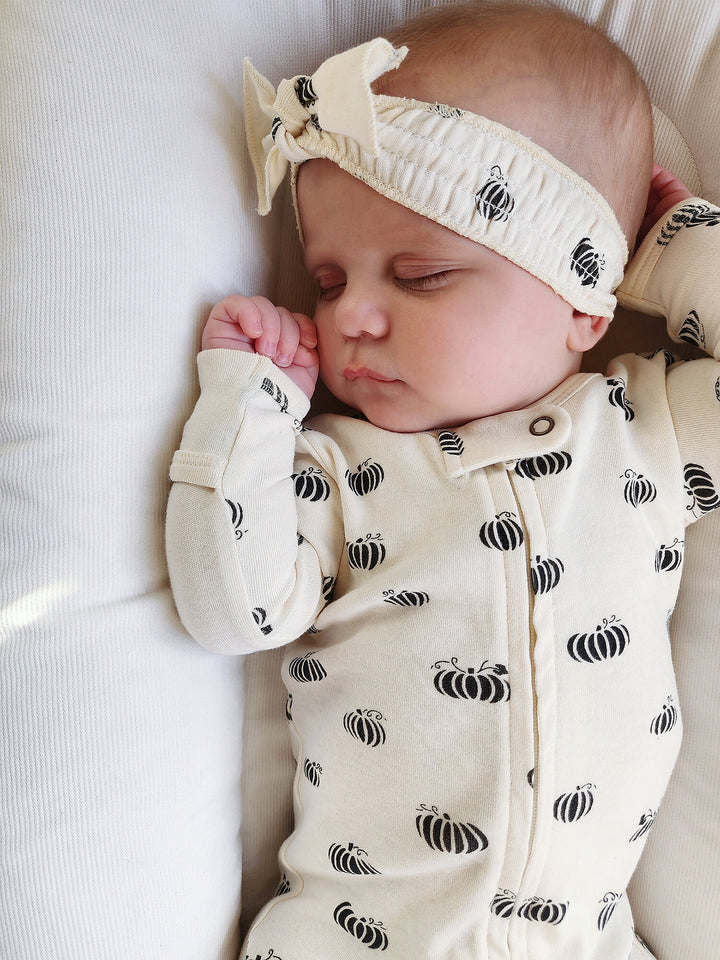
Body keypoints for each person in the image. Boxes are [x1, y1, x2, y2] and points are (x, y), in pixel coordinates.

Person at [166, 3, 720, 958]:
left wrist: (675, 256)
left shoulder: (649, 434)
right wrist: (247, 406)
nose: (352, 319)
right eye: (330, 280)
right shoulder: (336, 469)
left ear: (586, 298)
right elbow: (231, 610)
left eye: (420, 275)